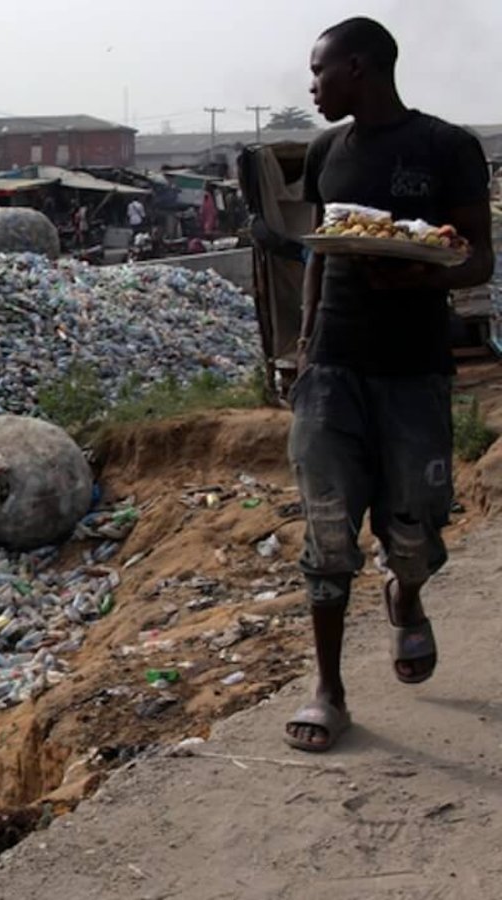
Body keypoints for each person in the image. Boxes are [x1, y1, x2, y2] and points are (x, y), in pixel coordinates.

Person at [283, 16, 494, 753]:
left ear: (362, 68)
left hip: (412, 369)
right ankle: (329, 691)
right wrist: (305, 345)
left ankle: (405, 595)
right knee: (329, 526)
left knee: (413, 531)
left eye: (321, 72)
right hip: (333, 368)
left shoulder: (445, 148)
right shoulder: (323, 152)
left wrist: (418, 270)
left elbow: (476, 261)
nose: (311, 86)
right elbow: (318, 253)